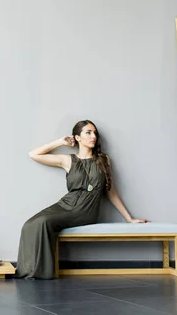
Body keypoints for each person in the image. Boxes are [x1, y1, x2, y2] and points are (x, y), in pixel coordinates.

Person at [14, 119, 148, 280]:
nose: (93, 136)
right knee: (30, 224)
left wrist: (129, 218)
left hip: (85, 211)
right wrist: (60, 142)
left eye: (95, 133)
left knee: (43, 222)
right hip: (64, 205)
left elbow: (111, 192)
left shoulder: (103, 160)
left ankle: (41, 273)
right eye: (88, 133)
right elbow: (33, 154)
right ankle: (28, 271)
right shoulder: (68, 160)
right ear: (77, 138)